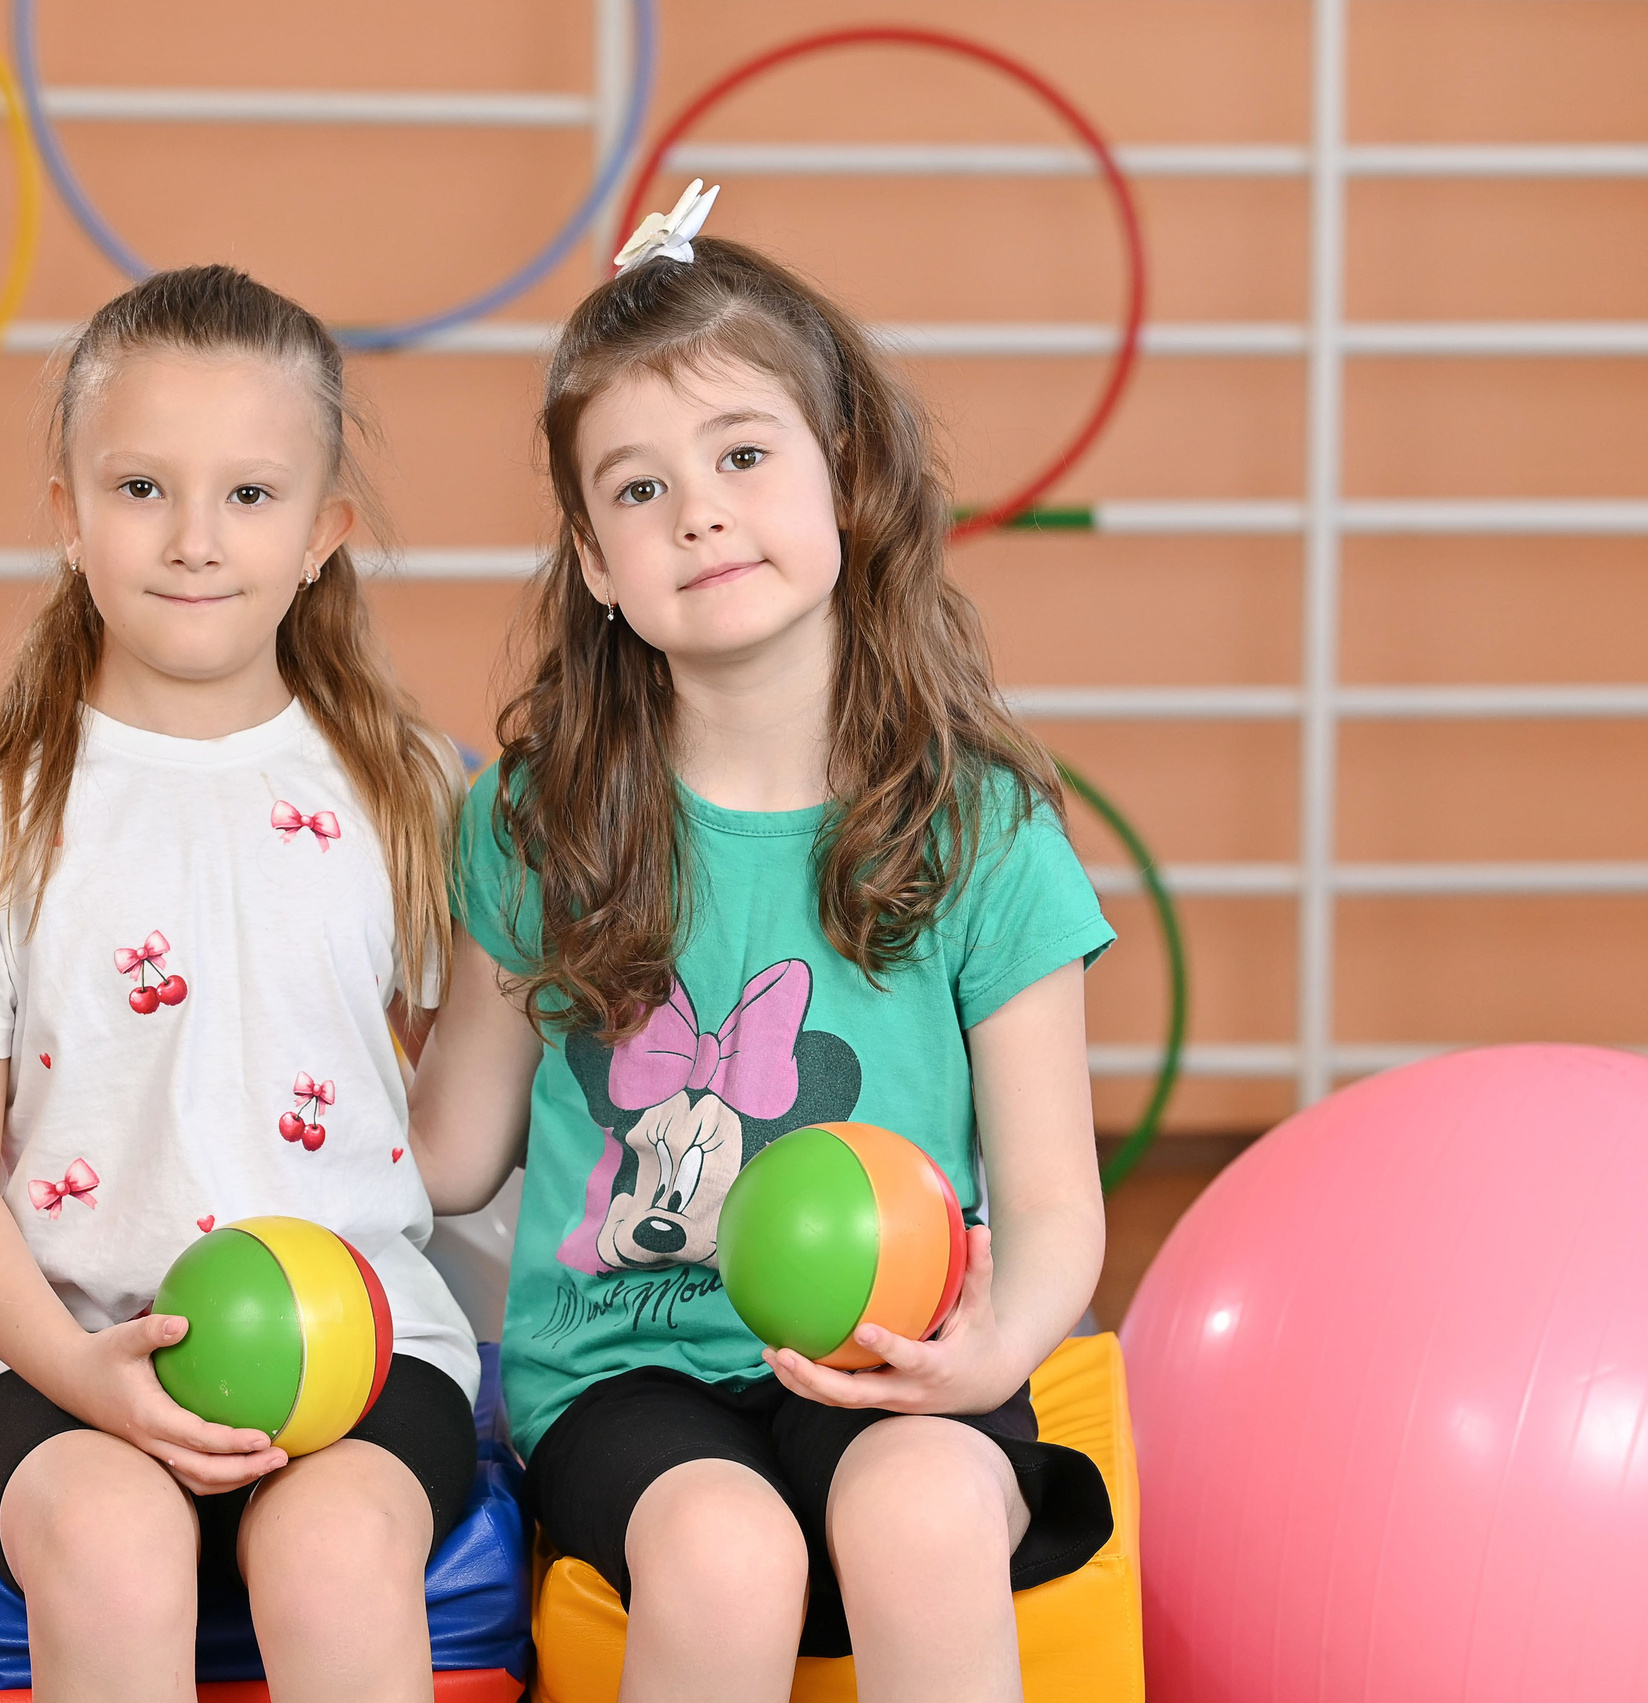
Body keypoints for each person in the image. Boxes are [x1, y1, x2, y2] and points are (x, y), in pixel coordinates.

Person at [409, 188, 1117, 1703]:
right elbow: (450, 1154)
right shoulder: (537, 821)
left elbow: (1057, 1201)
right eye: (639, 490)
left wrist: (983, 1367)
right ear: (596, 563)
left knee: (923, 1514)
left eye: (741, 455)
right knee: (726, 1556)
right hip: (628, 1373)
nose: (701, 511)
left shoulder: (983, 832)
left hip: (899, 1353)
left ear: (844, 477)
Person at [0, 264, 477, 1703]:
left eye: (251, 498)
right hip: (62, 1360)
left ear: (326, 535)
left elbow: (449, 1125)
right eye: (141, 490)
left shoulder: (409, 799)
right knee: (119, 1550)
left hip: (367, 1352)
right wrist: (80, 1378)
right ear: (69, 514)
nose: (196, 540)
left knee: (332, 1562)